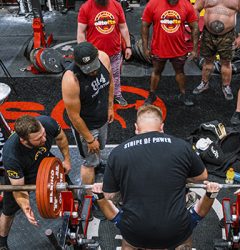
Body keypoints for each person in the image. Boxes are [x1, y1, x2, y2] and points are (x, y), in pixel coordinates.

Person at [91, 105, 221, 249]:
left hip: (136, 234)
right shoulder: (181, 146)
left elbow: (108, 195)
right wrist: (180, 176)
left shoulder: (118, 153)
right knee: (185, 238)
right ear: (162, 127)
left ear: (136, 128)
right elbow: (202, 176)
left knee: (128, 239)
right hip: (176, 233)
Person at [0, 115, 71, 250]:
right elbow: (19, 188)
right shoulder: (11, 155)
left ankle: (75, 205)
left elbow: (61, 138)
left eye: (43, 134)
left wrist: (66, 160)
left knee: (67, 184)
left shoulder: (47, 123)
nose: (44, 139)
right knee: (8, 212)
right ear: (23, 140)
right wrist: (26, 206)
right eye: (38, 139)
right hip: (22, 176)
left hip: (45, 162)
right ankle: (2, 243)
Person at [61, 42, 114, 188]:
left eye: (93, 67)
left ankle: (97, 163)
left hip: (102, 118)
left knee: (100, 148)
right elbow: (74, 116)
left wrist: (110, 107)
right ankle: (88, 196)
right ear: (77, 64)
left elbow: (110, 83)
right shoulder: (71, 80)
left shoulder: (103, 58)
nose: (92, 72)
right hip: (87, 126)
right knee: (89, 162)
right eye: (87, 70)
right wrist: (90, 139)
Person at [141, 0, 199, 106]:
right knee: (156, 71)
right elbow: (145, 25)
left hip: (178, 48)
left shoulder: (186, 4)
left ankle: (183, 94)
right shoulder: (153, 3)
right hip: (159, 48)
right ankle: (152, 94)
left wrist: (195, 49)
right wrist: (145, 48)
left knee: (180, 71)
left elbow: (194, 26)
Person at [77, 0, 132, 106]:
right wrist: (84, 52)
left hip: (114, 52)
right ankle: (97, 98)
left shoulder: (116, 5)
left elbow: (123, 27)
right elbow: (81, 32)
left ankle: (117, 95)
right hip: (95, 55)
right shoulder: (86, 7)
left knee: (115, 76)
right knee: (95, 78)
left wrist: (128, 46)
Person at [192, 0, 240, 100]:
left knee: (226, 63)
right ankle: (204, 83)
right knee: (207, 61)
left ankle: (226, 86)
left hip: (227, 35)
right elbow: (196, 9)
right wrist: (195, 27)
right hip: (208, 34)